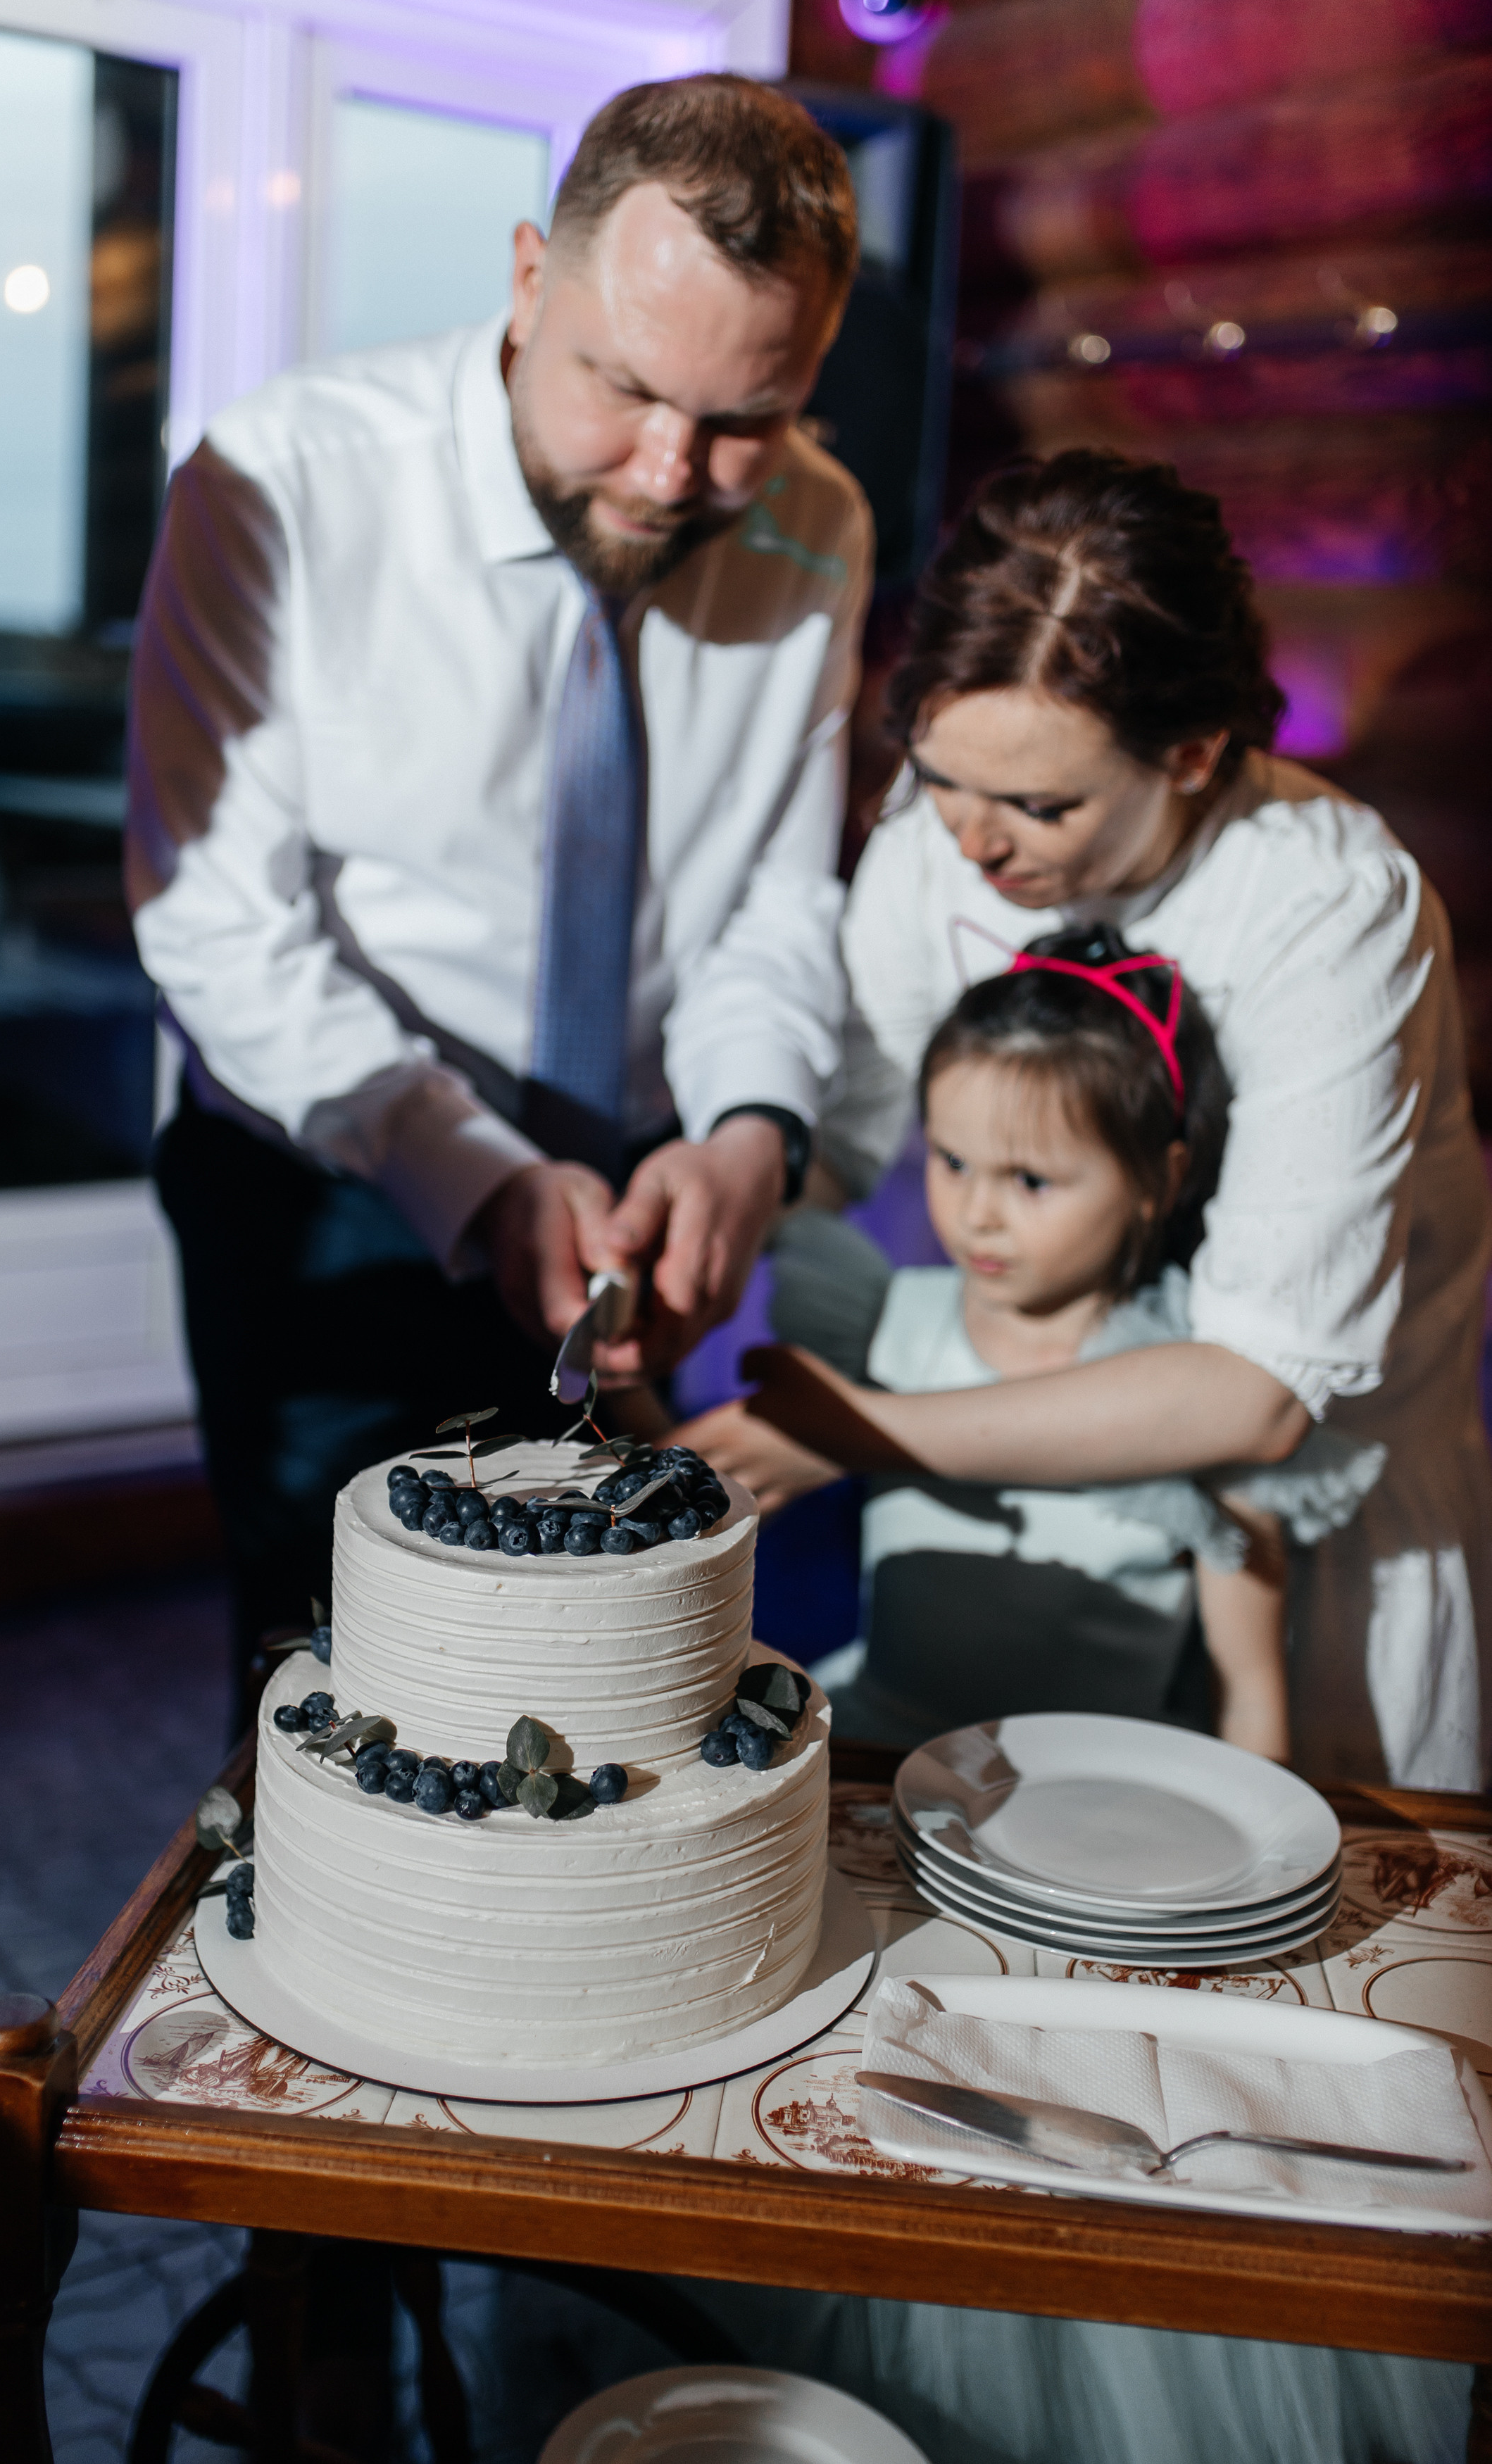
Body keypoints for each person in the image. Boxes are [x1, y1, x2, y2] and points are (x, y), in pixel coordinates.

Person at [123, 77, 873, 1682]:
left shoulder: (822, 525)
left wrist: (750, 1129)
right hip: (333, 1184)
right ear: (532, 277)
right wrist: (468, 1171)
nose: (674, 470)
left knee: (612, 1672)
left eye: (748, 417)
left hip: (631, 1198)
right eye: (624, 387)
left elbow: (775, 897)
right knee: (334, 1684)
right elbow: (217, 919)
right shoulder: (283, 482)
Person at [687, 449, 1491, 1791]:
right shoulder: (937, 836)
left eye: (1039, 805)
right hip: (1048, 1543)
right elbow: (838, 1143)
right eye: (937, 772)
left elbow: (1256, 1391)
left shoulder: (1326, 906)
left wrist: (871, 1431)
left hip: (1307, 1542)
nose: (967, 842)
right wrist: (702, 1206)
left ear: (1192, 752)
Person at [760, 922, 1389, 1761]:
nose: (976, 1212)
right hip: (886, 1759)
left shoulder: (1199, 1392)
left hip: (1103, 1793)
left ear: (1158, 1180)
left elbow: (1248, 1695)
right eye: (951, 1160)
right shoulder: (883, 1321)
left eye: (1028, 1179)